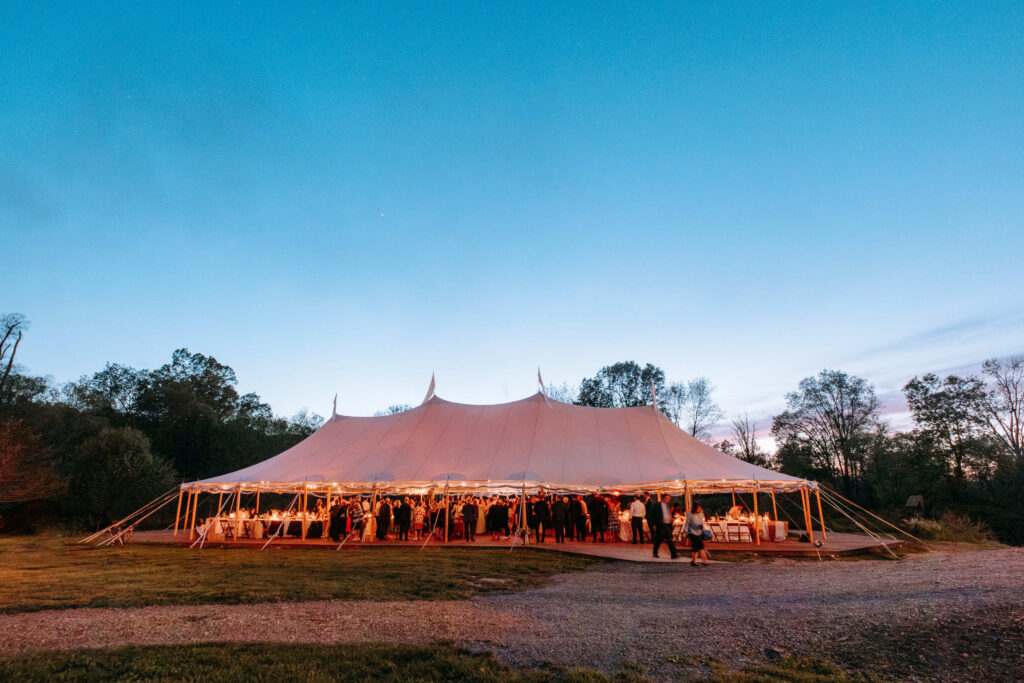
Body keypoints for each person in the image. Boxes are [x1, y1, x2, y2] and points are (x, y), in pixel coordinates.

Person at [652, 493, 679, 559]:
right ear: (663, 498)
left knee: (669, 539)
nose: (668, 500)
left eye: (669, 499)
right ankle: (655, 552)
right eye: (667, 498)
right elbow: (652, 514)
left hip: (667, 525)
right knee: (659, 539)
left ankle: (673, 554)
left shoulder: (667, 505)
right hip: (661, 524)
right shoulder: (657, 505)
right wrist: (655, 523)